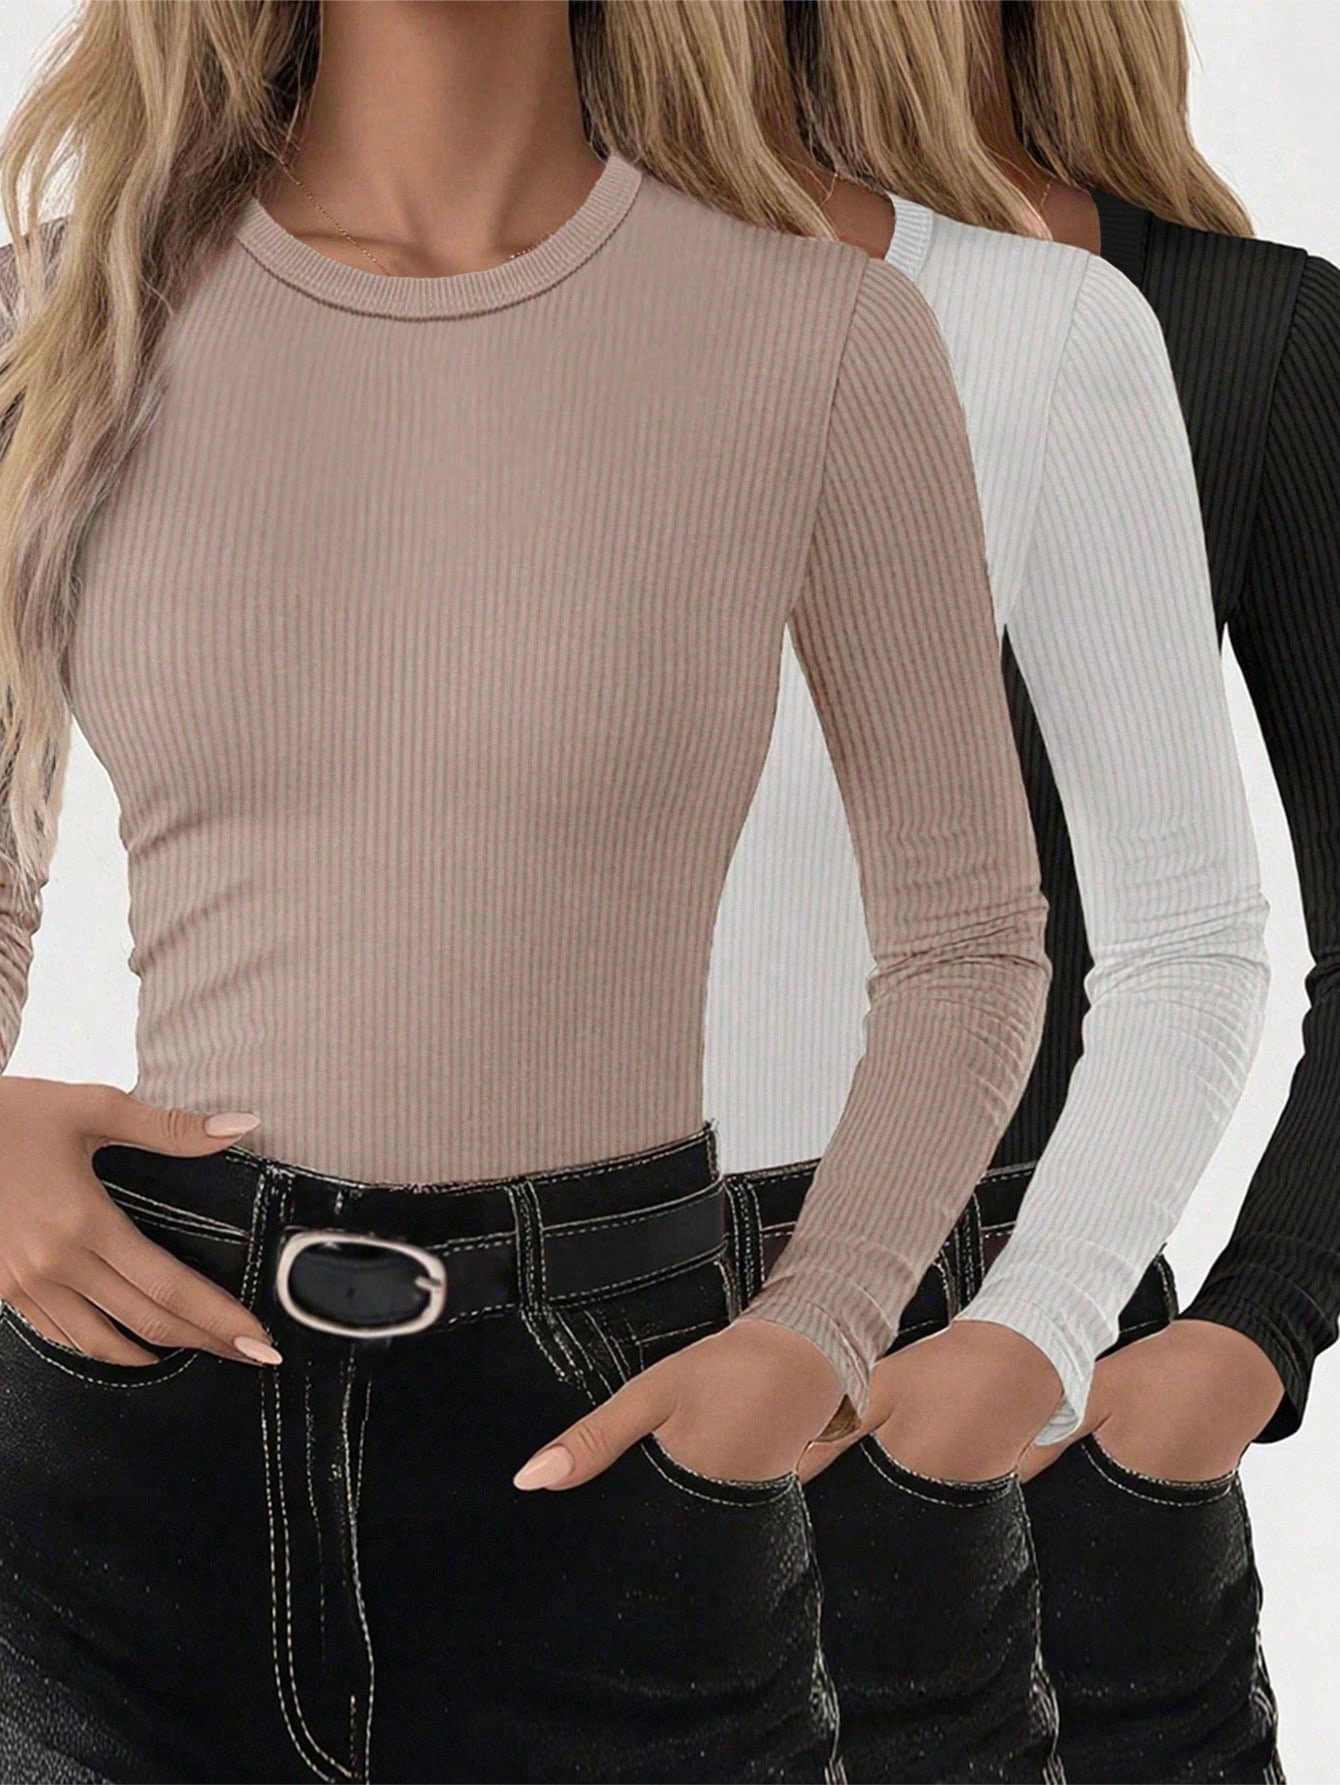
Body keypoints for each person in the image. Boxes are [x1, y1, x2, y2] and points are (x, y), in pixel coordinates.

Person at [0, 3, 1051, 1780]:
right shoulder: (61, 312)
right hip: (124, 1449)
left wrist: (817, 1327)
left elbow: (971, 941)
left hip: (619, 1439)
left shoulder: (815, 336)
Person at [702, 0, 1273, 1776]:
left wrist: (1091, 1322)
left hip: (955, 1294)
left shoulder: (1071, 332)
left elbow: (1190, 927)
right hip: (452, 1314)